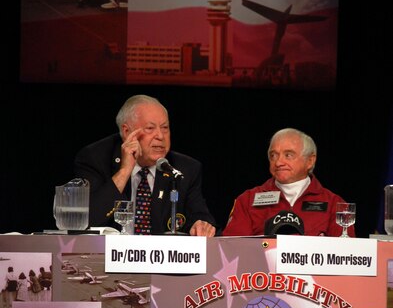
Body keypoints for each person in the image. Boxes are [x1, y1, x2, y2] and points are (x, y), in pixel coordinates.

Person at [74, 94, 216, 236]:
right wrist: (124, 171)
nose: (160, 136)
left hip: (161, 256)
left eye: (165, 127)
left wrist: (201, 224)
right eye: (150, 128)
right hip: (106, 255)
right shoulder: (95, 158)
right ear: (127, 132)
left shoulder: (184, 169)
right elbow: (87, 220)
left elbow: (200, 216)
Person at [222, 128, 356, 237]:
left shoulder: (334, 204)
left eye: (288, 155)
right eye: (273, 155)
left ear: (310, 160)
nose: (279, 162)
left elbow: (345, 258)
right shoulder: (247, 200)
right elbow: (232, 252)